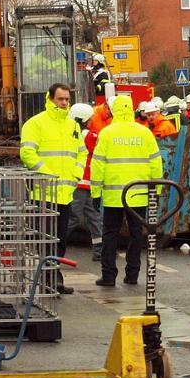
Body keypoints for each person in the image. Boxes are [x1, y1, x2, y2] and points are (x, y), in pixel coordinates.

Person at [20, 83, 87, 293]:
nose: (65, 103)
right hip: (43, 193)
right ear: (50, 99)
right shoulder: (35, 124)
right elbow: (27, 154)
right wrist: (49, 174)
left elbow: (82, 153)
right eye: (61, 99)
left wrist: (77, 173)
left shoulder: (72, 125)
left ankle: (53, 279)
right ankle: (48, 281)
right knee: (46, 242)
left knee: (60, 241)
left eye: (67, 99)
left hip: (65, 194)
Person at [91, 96, 163, 287]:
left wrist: (95, 193)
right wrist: (157, 189)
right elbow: (156, 162)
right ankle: (132, 274)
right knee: (136, 233)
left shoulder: (106, 133)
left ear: (114, 110)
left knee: (110, 234)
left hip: (114, 195)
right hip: (138, 193)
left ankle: (108, 276)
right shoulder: (145, 133)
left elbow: (97, 165)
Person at [67, 103, 104, 262]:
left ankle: (99, 250)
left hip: (83, 183)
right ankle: (53, 246)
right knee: (79, 217)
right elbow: (100, 146)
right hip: (82, 183)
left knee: (93, 217)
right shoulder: (88, 135)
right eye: (89, 119)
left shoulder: (71, 132)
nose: (91, 122)